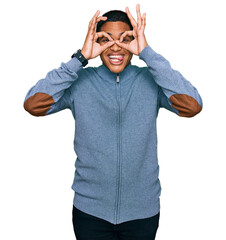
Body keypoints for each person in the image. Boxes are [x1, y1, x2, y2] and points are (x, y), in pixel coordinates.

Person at [23, 4, 203, 240]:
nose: (116, 46)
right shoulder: (80, 81)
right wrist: (80, 58)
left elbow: (192, 106)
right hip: (90, 212)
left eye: (125, 39)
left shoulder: (150, 80)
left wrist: (147, 52)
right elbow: (33, 105)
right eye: (105, 39)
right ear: (95, 42)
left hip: (142, 212)